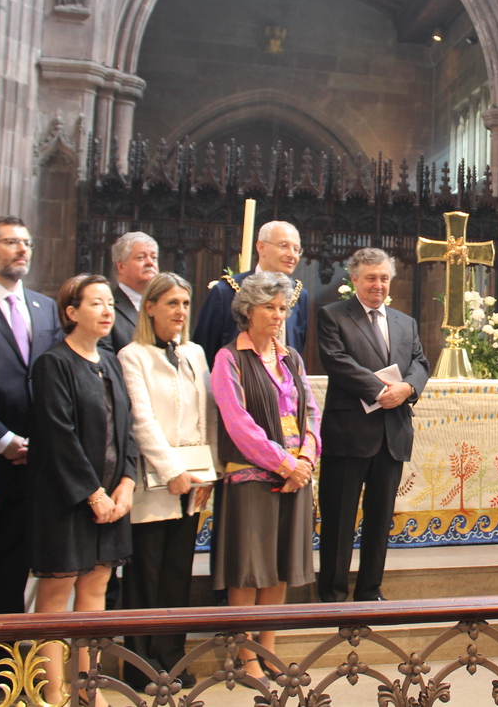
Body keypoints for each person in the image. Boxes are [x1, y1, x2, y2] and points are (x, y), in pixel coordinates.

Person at [0, 216, 63, 695]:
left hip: (35, 462)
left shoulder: (44, 308)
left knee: (12, 570)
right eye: (9, 243)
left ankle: (0, 677)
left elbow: (48, 381)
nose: (21, 250)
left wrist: (40, 443)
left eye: (26, 242)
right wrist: (3, 439)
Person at [29, 274, 137, 707]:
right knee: (57, 593)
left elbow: (126, 430)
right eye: (96, 303)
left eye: (110, 303)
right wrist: (93, 493)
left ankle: (87, 688)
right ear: (71, 312)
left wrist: (127, 482)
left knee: (96, 588)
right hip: (66, 499)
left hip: (113, 497)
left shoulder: (110, 360)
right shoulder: (53, 363)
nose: (108, 311)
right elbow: (58, 436)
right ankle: (52, 692)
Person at [210, 271, 320, 686]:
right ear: (247, 311)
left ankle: (268, 646)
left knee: (278, 569)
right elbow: (239, 424)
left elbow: (310, 412)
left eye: (282, 309)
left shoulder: (291, 356)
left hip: (296, 474)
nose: (278, 316)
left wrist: (306, 457)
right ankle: (244, 653)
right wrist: (285, 464)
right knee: (249, 569)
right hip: (253, 477)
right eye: (269, 308)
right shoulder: (229, 358)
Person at [118, 273, 217, 690]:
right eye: (172, 303)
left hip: (193, 479)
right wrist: (171, 470)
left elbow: (207, 413)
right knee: (146, 572)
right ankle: (139, 663)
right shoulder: (132, 355)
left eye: (185, 304)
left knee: (178, 570)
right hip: (153, 482)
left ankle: (171, 658)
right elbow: (141, 420)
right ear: (151, 307)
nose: (180, 312)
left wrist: (206, 472)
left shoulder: (194, 352)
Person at [316, 248, 430, 601]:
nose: (377, 284)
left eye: (383, 278)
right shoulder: (333, 316)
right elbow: (338, 363)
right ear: (354, 280)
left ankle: (369, 589)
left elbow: (420, 362)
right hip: (349, 433)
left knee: (380, 520)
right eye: (370, 277)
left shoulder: (404, 322)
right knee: (339, 519)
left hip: (392, 433)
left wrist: (408, 388)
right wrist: (384, 392)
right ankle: (333, 594)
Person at [193, 221, 309, 368]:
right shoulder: (227, 291)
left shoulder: (299, 295)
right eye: (284, 246)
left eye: (296, 249)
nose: (292, 255)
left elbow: (297, 345)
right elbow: (203, 351)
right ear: (261, 247)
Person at [104, 231, 159, 352]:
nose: (150, 262)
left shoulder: (164, 305)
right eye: (141, 257)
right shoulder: (107, 306)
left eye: (154, 257)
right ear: (121, 267)